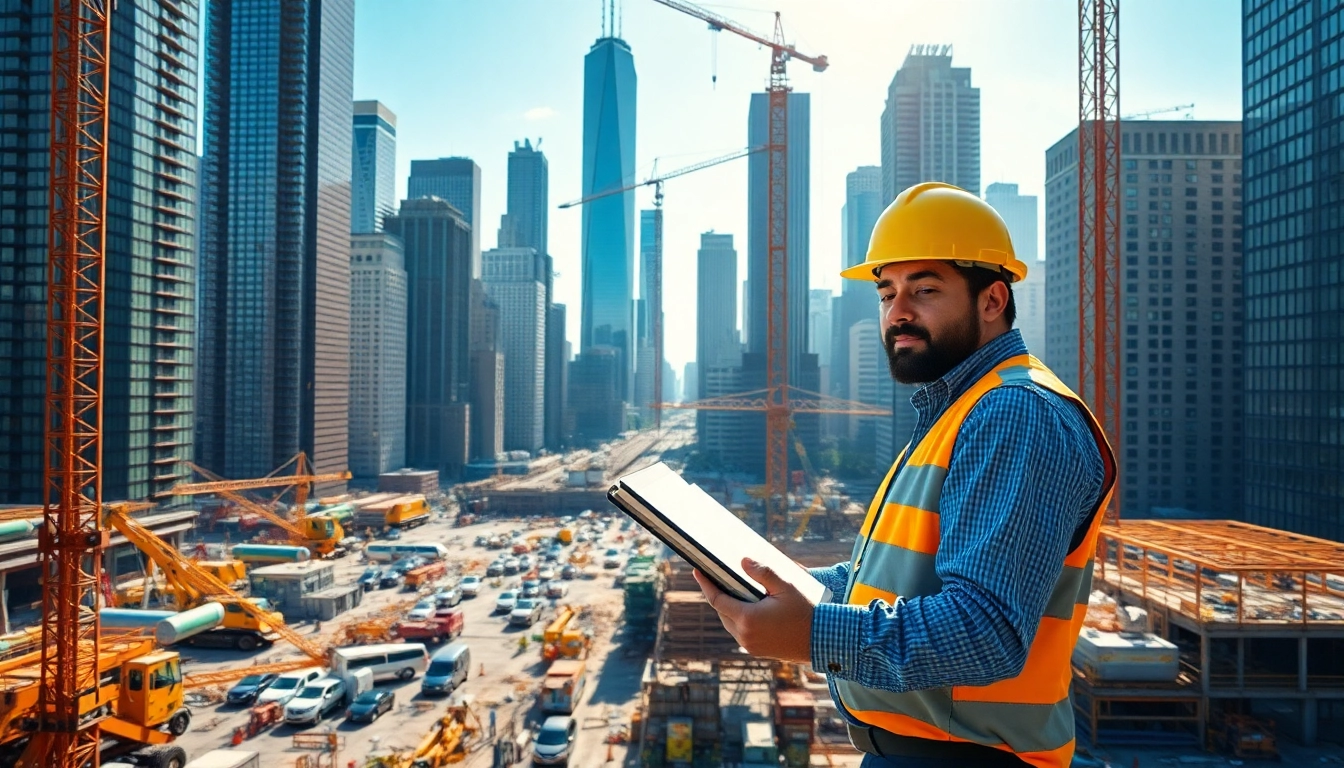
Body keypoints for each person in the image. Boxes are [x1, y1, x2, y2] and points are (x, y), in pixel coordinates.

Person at [694, 182, 1115, 768]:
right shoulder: (957, 410)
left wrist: (814, 633)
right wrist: (791, 586)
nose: (899, 312)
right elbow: (897, 578)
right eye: (886, 293)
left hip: (967, 757)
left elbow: (985, 629)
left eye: (925, 290)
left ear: (992, 300)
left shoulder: (1015, 413)